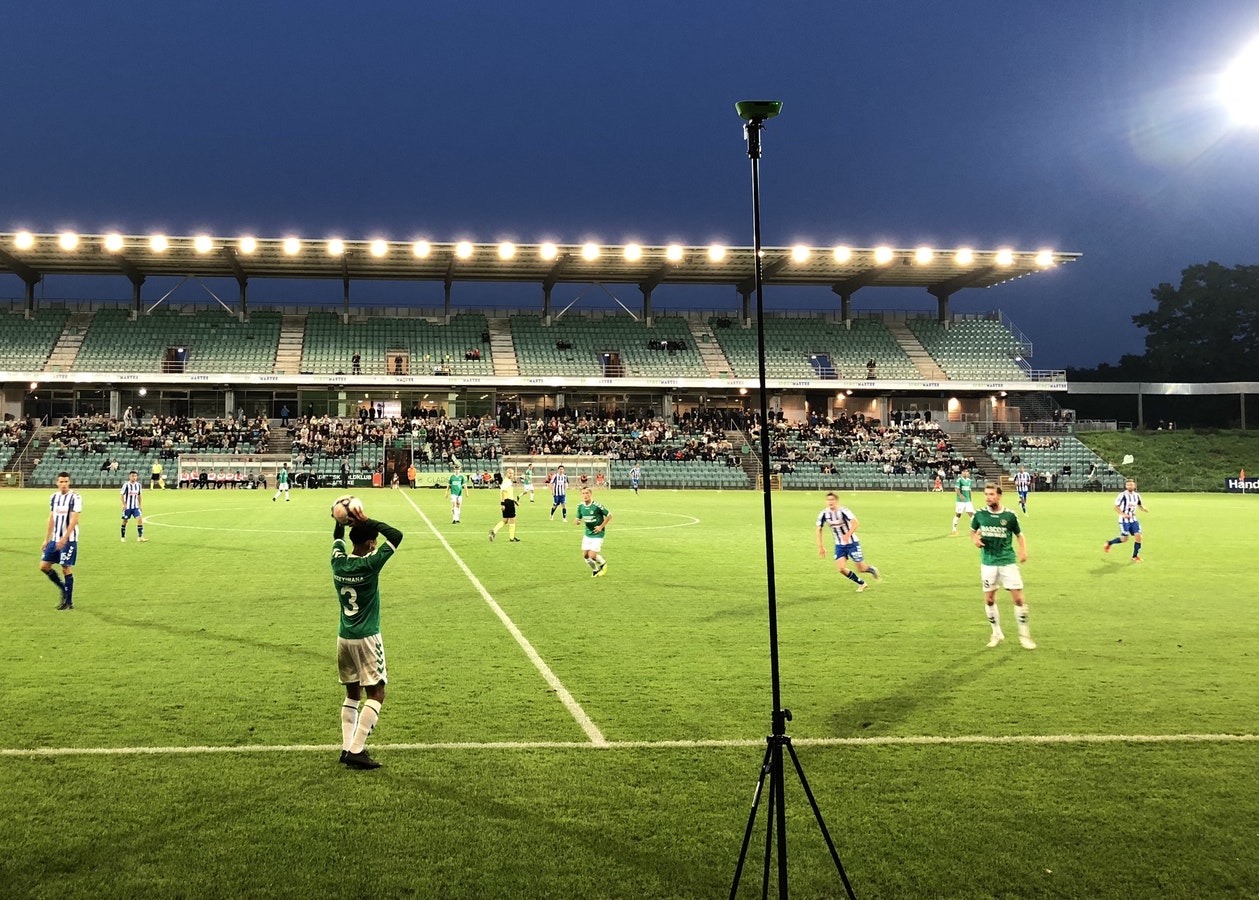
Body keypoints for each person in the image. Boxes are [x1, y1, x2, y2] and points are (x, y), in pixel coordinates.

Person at [330, 500, 404, 770]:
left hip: (344, 637)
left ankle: (346, 747)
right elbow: (396, 535)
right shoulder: (371, 564)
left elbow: (337, 540)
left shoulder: (338, 562)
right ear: (372, 543)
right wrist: (365, 519)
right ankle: (357, 749)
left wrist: (340, 521)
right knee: (377, 693)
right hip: (368, 638)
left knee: (352, 693)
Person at [971, 482, 1034, 650]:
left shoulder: (1010, 516)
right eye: (986, 494)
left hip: (1007, 561)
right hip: (988, 563)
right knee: (989, 599)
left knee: (1019, 599)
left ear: (999, 496)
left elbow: (1020, 535)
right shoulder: (979, 514)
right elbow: (972, 531)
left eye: (991, 494)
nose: (988, 497)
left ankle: (1024, 635)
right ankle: (996, 633)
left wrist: (1023, 551)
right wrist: (975, 539)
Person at [815, 491, 880, 592]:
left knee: (861, 568)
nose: (830, 502)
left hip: (852, 543)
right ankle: (862, 583)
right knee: (841, 568)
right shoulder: (823, 514)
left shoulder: (843, 511)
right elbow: (819, 529)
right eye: (828, 500)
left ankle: (871, 569)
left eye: (832, 500)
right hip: (839, 545)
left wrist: (847, 535)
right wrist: (820, 546)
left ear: (836, 501)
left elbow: (855, 523)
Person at [41, 471, 82, 610]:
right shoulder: (54, 497)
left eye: (66, 481)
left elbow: (75, 520)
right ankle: (63, 589)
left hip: (69, 540)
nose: (64, 484)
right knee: (44, 566)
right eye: (61, 482)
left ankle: (68, 602)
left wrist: (65, 538)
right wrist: (46, 540)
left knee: (65, 568)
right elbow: (51, 518)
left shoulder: (75, 497)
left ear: (69, 482)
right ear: (57, 483)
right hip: (54, 539)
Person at [1105, 479, 1148, 561]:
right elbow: (1116, 507)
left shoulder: (1137, 495)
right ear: (1126, 486)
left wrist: (1143, 508)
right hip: (1124, 520)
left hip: (1133, 519)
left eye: (1131, 485)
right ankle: (1109, 543)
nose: (1129, 486)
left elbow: (1139, 504)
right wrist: (1123, 514)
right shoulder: (1122, 495)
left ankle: (1135, 556)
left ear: (1134, 486)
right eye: (1128, 485)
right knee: (1124, 539)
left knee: (1139, 537)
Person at [575, 486, 611, 577]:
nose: (585, 495)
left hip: (598, 534)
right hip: (587, 534)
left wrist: (601, 527)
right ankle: (595, 570)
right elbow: (578, 518)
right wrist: (577, 521)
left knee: (592, 555)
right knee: (585, 555)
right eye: (583, 493)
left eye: (587, 493)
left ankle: (603, 563)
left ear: (591, 494)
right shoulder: (580, 506)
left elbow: (609, 515)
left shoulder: (597, 506)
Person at [490, 467, 519, 542]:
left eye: (512, 473)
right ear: (507, 473)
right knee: (513, 520)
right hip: (508, 502)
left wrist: (514, 501)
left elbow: (507, 493)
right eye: (510, 473)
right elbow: (502, 492)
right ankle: (512, 538)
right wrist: (502, 504)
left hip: (508, 501)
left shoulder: (507, 481)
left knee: (505, 520)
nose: (511, 474)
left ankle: (494, 531)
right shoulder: (507, 481)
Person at [120, 470, 147, 543]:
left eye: (135, 476)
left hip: (135, 507)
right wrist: (124, 504)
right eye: (132, 476)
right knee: (125, 521)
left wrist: (140, 505)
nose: (134, 477)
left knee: (140, 520)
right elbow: (121, 495)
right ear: (129, 476)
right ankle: (123, 537)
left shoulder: (138, 485)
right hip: (127, 507)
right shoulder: (126, 485)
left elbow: (139, 495)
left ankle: (140, 537)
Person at [950, 467, 975, 535]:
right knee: (958, 514)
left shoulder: (969, 480)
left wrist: (970, 499)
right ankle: (954, 529)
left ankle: (974, 530)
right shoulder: (959, 480)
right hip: (960, 501)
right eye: (964, 472)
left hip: (968, 501)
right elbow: (956, 489)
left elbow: (969, 490)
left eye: (967, 472)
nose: (965, 473)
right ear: (962, 473)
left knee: (972, 515)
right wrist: (960, 495)